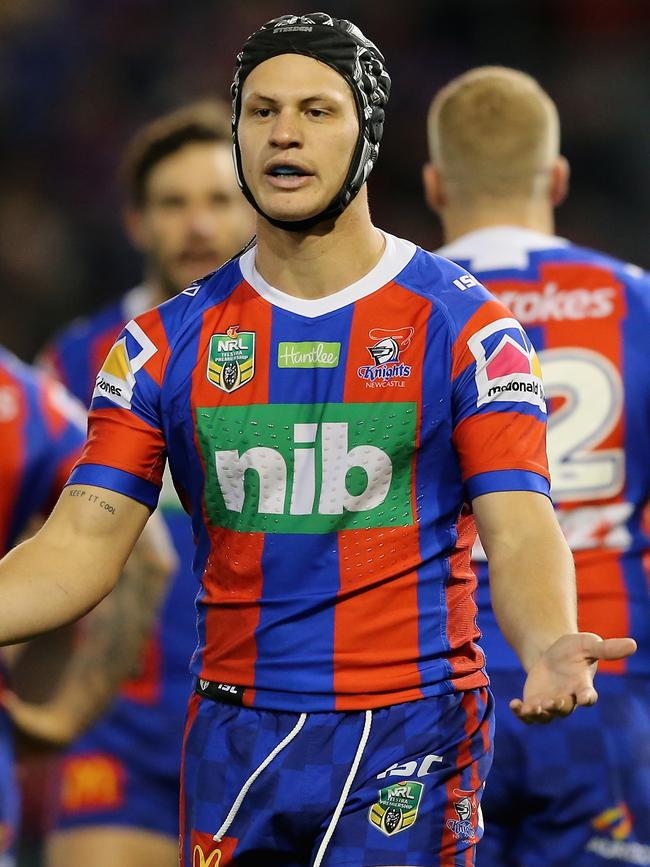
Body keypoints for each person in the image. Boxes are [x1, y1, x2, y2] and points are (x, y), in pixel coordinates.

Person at [0, 15, 636, 867]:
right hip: (232, 733)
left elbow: (520, 525)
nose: (284, 133)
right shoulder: (160, 345)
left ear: (368, 137)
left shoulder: (468, 328)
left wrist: (550, 638)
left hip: (413, 724)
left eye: (315, 110)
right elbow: (79, 542)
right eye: (260, 112)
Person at [425, 65, 650, 864]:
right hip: (604, 681)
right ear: (556, 177)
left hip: (437, 691)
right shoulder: (637, 302)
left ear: (433, 183)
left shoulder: (404, 310)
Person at [37, 101, 254, 867]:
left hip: (264, 723)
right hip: (120, 727)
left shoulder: (304, 348)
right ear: (136, 222)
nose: (199, 225)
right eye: (174, 203)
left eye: (220, 200)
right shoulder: (75, 361)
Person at [0, 348, 172, 865]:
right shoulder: (37, 398)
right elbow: (148, 558)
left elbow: (144, 562)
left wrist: (58, 717)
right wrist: (56, 717)